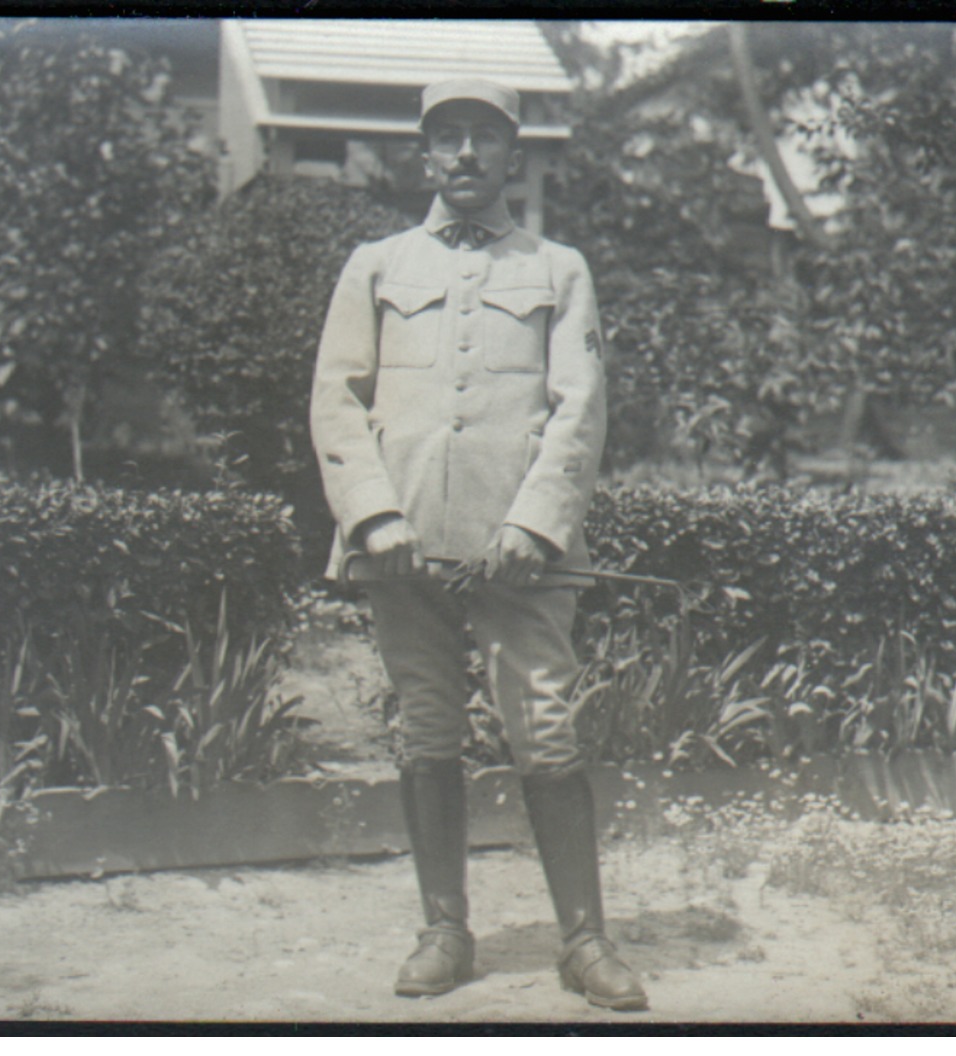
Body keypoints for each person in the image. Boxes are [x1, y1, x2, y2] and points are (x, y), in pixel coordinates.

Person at [309, 77, 648, 1012]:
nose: (464, 156)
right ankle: (444, 931)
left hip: (521, 552)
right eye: (447, 139)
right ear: (424, 156)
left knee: (544, 726)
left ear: (512, 156)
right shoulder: (375, 265)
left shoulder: (557, 268)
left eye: (483, 139)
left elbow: (579, 409)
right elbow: (337, 401)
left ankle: (583, 941)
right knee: (426, 724)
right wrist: (374, 516)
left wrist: (532, 524)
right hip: (401, 544)